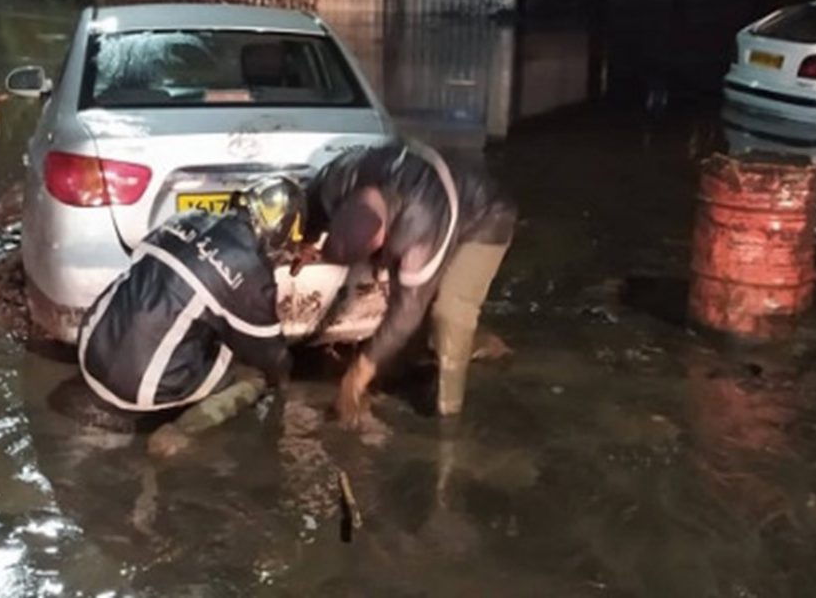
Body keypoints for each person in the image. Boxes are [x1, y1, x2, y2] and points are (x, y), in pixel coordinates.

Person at [76, 177, 305, 454]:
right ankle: (179, 434)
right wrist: (285, 388)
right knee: (253, 375)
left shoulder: (186, 217)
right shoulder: (250, 270)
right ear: (279, 231)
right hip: (140, 388)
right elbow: (271, 357)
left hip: (92, 347)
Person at [305, 141, 517, 426]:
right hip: (437, 192)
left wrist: (356, 378)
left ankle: (448, 418)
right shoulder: (343, 179)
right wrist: (307, 238)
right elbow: (315, 202)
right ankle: (415, 364)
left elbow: (407, 311)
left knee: (450, 313)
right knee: (409, 320)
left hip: (486, 218)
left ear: (382, 238)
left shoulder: (418, 230)